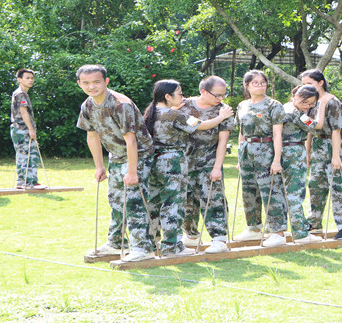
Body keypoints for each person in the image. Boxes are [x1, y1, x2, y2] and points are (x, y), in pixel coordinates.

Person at [142, 80, 233, 256]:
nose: (183, 97)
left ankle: (150, 244)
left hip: (155, 162)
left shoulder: (152, 113)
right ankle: (172, 246)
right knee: (173, 204)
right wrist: (221, 117)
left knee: (154, 202)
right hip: (174, 163)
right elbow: (202, 125)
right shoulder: (174, 114)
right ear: (168, 96)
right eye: (179, 93)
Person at [76, 64, 155, 262]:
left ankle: (141, 248)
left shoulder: (121, 104)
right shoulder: (87, 105)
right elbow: (92, 136)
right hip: (116, 156)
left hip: (139, 156)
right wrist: (99, 166)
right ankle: (115, 243)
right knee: (116, 200)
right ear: (79, 84)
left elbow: (132, 140)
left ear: (106, 81)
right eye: (86, 83)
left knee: (134, 201)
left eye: (96, 82)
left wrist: (132, 171)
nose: (91, 87)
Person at [232, 70, 289, 247]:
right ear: (246, 85)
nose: (260, 85)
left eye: (263, 82)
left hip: (266, 149)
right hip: (246, 149)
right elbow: (241, 132)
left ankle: (277, 231)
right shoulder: (242, 105)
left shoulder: (274, 105)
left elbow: (277, 134)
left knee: (270, 190)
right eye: (255, 83)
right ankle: (253, 228)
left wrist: (277, 159)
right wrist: (239, 159)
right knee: (248, 190)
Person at [179, 76, 236, 251]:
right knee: (186, 199)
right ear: (203, 91)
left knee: (213, 198)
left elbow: (222, 141)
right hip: (185, 160)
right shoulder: (184, 105)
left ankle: (219, 238)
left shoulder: (224, 111)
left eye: (223, 95)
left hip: (209, 160)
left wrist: (217, 167)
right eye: (217, 95)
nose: (221, 99)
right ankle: (190, 234)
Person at [300, 69, 342, 239]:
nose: (306, 87)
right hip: (318, 145)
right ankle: (314, 223)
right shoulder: (310, 102)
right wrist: (307, 152)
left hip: (335, 145)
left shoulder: (332, 102)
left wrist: (336, 156)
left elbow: (336, 131)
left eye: (310, 83)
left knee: (339, 186)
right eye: (303, 85)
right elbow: (310, 128)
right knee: (316, 185)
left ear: (321, 82)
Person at [280, 85, 327, 243]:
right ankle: (300, 233)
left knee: (280, 193)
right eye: (304, 101)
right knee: (295, 194)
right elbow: (316, 126)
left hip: (281, 152)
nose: (307, 106)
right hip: (293, 153)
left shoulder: (284, 107)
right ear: (294, 95)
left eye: (311, 104)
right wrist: (321, 106)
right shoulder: (296, 114)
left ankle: (277, 231)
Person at [10, 68, 45, 189]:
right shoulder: (21, 94)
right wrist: (31, 129)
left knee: (22, 155)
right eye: (27, 78)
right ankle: (30, 182)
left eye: (32, 78)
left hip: (17, 129)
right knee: (30, 155)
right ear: (19, 79)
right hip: (22, 129)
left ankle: (22, 182)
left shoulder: (20, 93)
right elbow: (23, 112)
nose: (30, 80)